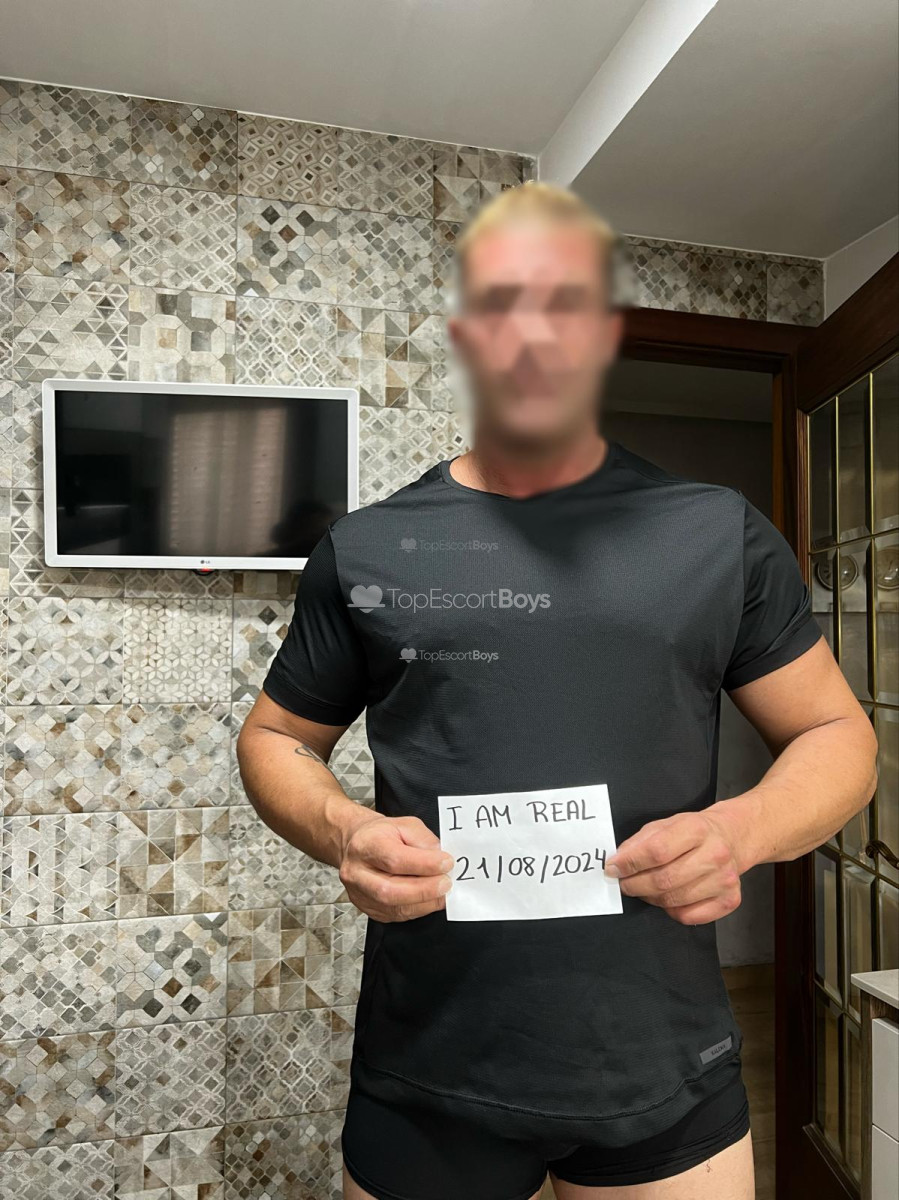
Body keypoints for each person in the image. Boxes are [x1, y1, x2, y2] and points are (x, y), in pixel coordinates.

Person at [236, 182, 878, 1200]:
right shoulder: (365, 547)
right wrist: (342, 829)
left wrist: (744, 830)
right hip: (427, 1069)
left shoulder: (717, 533)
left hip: (666, 1069)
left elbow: (838, 735)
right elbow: (275, 737)